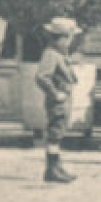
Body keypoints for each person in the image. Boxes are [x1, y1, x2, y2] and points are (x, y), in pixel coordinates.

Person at [34, 17, 82, 184]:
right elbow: (42, 77)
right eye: (69, 38)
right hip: (58, 101)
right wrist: (55, 94)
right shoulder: (51, 54)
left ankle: (56, 166)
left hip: (63, 99)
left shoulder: (59, 54)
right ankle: (52, 169)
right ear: (61, 37)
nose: (70, 41)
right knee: (55, 134)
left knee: (59, 133)